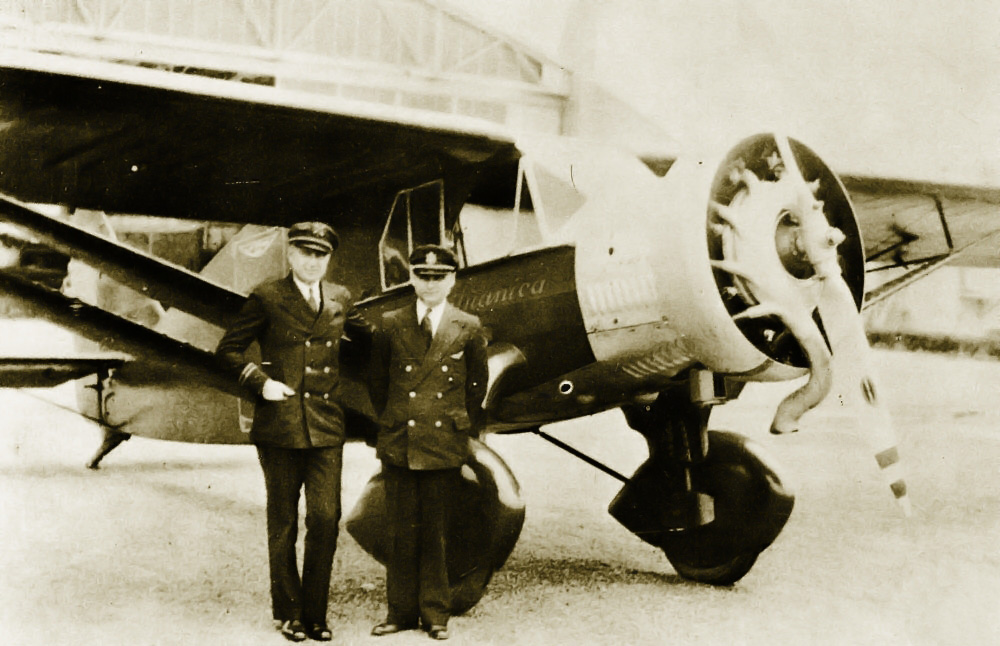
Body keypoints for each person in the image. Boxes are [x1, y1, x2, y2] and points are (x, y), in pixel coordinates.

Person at [215, 221, 362, 643]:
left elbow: (371, 342)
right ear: (291, 255)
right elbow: (227, 350)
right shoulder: (267, 296)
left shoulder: (340, 298)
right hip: (279, 427)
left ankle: (316, 614)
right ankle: (290, 613)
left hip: (326, 426)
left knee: (326, 518)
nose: (313, 261)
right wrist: (261, 383)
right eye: (305, 253)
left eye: (321, 255)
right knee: (283, 522)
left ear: (328, 259)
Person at [368, 244, 488, 641]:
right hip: (401, 439)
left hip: (441, 443)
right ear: (412, 279)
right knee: (400, 530)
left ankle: (435, 614)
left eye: (439, 277)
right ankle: (399, 613)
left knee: (437, 531)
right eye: (423, 276)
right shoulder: (390, 323)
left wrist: (456, 426)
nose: (431, 284)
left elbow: (476, 387)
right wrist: (394, 420)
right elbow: (377, 385)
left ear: (452, 279)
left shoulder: (468, 326)